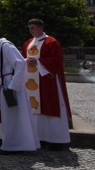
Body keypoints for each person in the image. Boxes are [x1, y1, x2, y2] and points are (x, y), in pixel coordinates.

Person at [0, 25, 39, 155]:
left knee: (13, 116)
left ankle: (14, 145)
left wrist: (12, 86)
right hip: (6, 84)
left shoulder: (6, 46)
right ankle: (14, 144)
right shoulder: (0, 47)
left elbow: (20, 64)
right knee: (10, 117)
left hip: (11, 86)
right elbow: (9, 64)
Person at [22, 18, 72, 151]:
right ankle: (40, 138)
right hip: (31, 82)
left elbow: (56, 61)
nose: (30, 30)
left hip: (47, 81)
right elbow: (22, 58)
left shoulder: (51, 42)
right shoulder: (28, 43)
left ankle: (57, 140)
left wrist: (37, 62)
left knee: (51, 107)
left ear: (40, 28)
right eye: (29, 28)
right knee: (35, 109)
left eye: (33, 27)